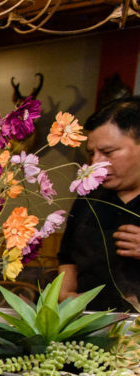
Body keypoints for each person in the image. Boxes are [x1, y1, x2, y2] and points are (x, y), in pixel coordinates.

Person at [57, 96, 140, 311]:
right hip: (89, 326)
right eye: (92, 153)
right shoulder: (89, 195)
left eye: (108, 152)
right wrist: (64, 294)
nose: (96, 164)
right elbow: (67, 256)